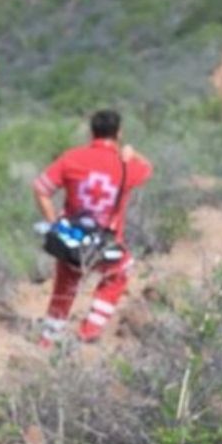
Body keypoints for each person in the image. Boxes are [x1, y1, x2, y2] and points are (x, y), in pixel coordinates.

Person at [33, 109, 152, 348]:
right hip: (106, 243)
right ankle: (90, 329)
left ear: (91, 132)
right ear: (118, 133)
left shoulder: (71, 158)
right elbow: (148, 168)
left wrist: (55, 223)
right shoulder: (125, 167)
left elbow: (40, 188)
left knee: (65, 285)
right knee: (120, 273)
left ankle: (48, 340)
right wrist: (132, 153)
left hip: (73, 239)